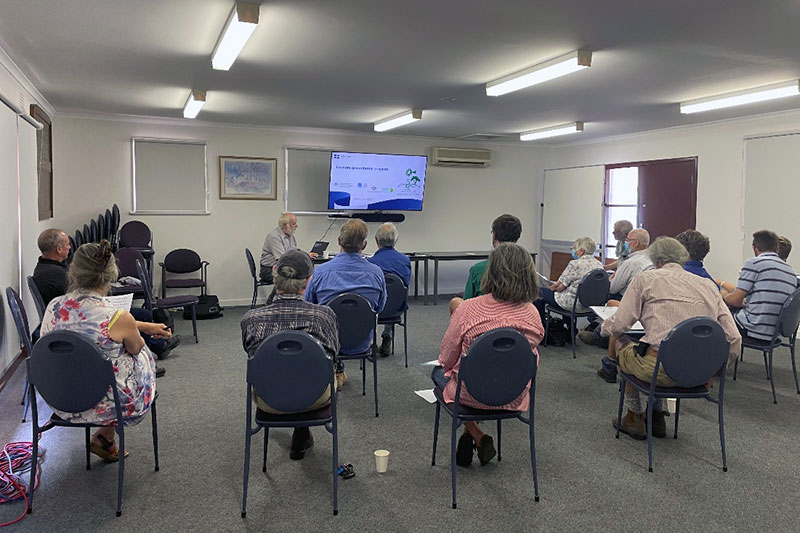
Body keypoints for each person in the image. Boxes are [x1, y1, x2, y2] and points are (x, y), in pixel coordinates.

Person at [599, 237, 741, 440]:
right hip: (698, 375)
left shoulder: (646, 280)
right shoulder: (708, 286)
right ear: (683, 260)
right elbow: (734, 338)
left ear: (655, 261)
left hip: (660, 371)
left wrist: (604, 329)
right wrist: (715, 372)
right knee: (657, 355)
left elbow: (620, 324)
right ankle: (656, 416)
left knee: (624, 346)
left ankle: (633, 416)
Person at [40, 240, 161, 462]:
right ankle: (105, 434)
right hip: (108, 405)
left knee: (102, 365)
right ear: (111, 274)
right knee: (140, 357)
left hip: (61, 399)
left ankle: (105, 437)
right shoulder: (117, 316)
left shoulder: (54, 307)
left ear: (73, 271)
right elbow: (137, 347)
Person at [435, 243, 543, 467]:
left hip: (468, 395)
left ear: (491, 272)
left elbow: (446, 358)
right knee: (480, 370)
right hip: (513, 395)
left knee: (452, 373)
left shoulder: (468, 309)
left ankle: (474, 432)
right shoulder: (532, 313)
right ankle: (473, 434)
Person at [32, 229, 178, 374]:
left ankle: (158, 345)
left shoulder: (53, 304)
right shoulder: (57, 275)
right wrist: (139, 329)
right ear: (109, 276)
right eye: (68, 244)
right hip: (106, 391)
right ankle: (156, 353)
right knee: (140, 352)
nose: (70, 247)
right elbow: (135, 348)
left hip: (62, 384)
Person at [241, 250, 339, 460]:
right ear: (309, 281)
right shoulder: (324, 316)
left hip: (269, 399)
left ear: (274, 274)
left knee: (284, 372)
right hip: (316, 397)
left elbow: (253, 356)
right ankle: (302, 430)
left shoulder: (251, 319)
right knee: (314, 373)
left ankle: (301, 431)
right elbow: (333, 356)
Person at [305, 219, 386, 381]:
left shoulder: (321, 272)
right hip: (362, 342)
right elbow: (380, 308)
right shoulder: (377, 273)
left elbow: (309, 307)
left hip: (327, 342)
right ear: (364, 245)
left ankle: (334, 370)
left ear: (339, 241)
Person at [578, 229, 652, 348]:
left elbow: (612, 288)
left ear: (636, 243)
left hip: (627, 299)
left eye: (628, 240)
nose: (626, 243)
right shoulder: (652, 259)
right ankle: (598, 326)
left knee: (603, 294)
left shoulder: (631, 262)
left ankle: (599, 334)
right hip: (646, 301)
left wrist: (611, 279)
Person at [720, 230, 797, 342]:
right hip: (775, 332)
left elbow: (735, 301)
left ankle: (720, 358)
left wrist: (721, 295)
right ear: (776, 248)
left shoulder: (753, 263)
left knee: (715, 312)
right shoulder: (791, 273)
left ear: (754, 248)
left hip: (753, 327)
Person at [533, 236, 604, 327]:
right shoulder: (599, 264)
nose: (573, 251)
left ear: (581, 251)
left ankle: (541, 327)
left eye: (574, 248)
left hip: (573, 305)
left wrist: (550, 288)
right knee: (567, 293)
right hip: (590, 306)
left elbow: (559, 288)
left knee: (538, 292)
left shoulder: (574, 264)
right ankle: (569, 327)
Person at [457, 214, 522, 307]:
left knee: (456, 300)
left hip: (484, 313)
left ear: (494, 236)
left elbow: (467, 301)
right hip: (516, 313)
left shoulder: (478, 269)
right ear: (517, 237)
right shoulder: (525, 267)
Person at [367, 223, 411, 356]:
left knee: (369, 299)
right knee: (393, 297)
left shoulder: (370, 263)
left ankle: (371, 341)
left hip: (375, 309)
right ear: (395, 240)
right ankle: (387, 335)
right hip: (397, 309)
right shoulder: (405, 260)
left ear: (376, 240)